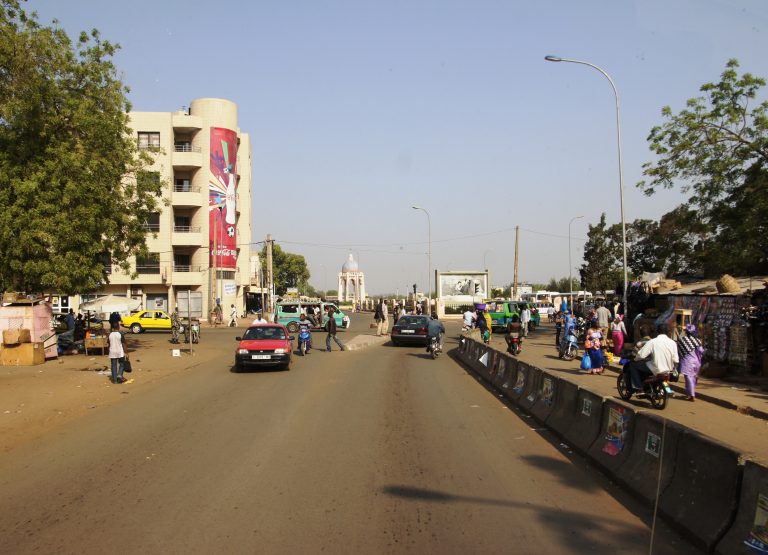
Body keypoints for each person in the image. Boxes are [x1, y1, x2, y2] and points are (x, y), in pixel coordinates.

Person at [627, 324, 679, 393]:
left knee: (633, 365)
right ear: (667, 332)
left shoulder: (652, 342)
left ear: (657, 332)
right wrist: (674, 369)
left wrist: (635, 359)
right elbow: (676, 360)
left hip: (656, 368)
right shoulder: (673, 343)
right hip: (669, 370)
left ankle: (639, 387)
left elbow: (641, 355)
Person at [678, 324, 704, 402]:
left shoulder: (682, 340)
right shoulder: (697, 340)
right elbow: (701, 351)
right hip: (697, 362)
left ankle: (692, 394)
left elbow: (679, 351)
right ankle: (690, 393)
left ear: (686, 332)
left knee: (688, 378)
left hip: (687, 362)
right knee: (693, 377)